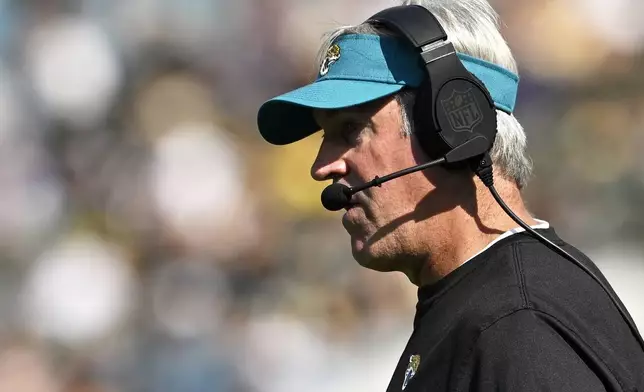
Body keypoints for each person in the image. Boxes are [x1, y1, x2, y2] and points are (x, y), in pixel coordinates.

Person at [256, 0, 644, 391]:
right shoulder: (484, 305)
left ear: (453, 126)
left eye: (350, 130)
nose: (322, 166)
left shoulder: (519, 327)